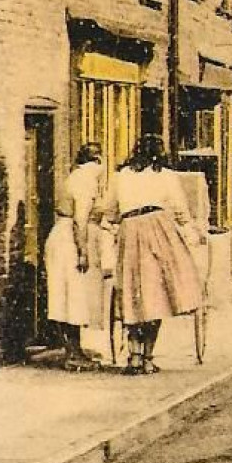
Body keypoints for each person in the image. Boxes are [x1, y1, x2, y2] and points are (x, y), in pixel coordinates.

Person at [107, 135, 203, 375]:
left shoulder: (121, 176)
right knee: (157, 294)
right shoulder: (167, 176)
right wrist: (191, 231)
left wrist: (114, 227)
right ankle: (148, 357)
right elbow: (180, 210)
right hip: (159, 229)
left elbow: (108, 211)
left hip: (130, 229)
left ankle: (134, 355)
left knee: (132, 292)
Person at [45, 143, 109, 370]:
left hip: (63, 235)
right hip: (69, 241)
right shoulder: (86, 180)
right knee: (72, 296)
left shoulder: (75, 176)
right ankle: (72, 353)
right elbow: (79, 220)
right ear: (98, 161)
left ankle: (75, 350)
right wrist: (82, 251)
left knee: (71, 296)